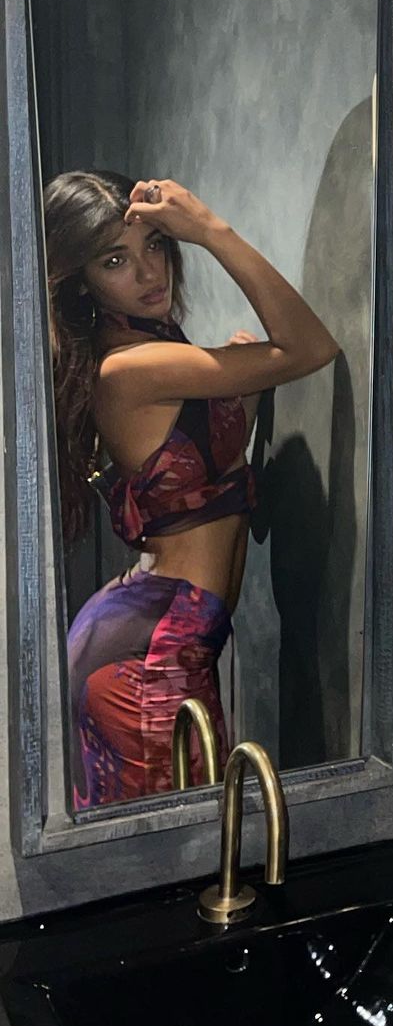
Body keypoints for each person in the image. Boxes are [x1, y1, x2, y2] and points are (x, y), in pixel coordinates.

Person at [44, 172, 339, 809]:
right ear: (82, 282)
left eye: (156, 243)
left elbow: (200, 473)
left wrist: (238, 387)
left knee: (197, 838)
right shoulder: (128, 369)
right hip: (149, 657)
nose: (149, 272)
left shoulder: (157, 351)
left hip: (162, 637)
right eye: (115, 260)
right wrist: (209, 229)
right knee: (184, 851)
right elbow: (311, 346)